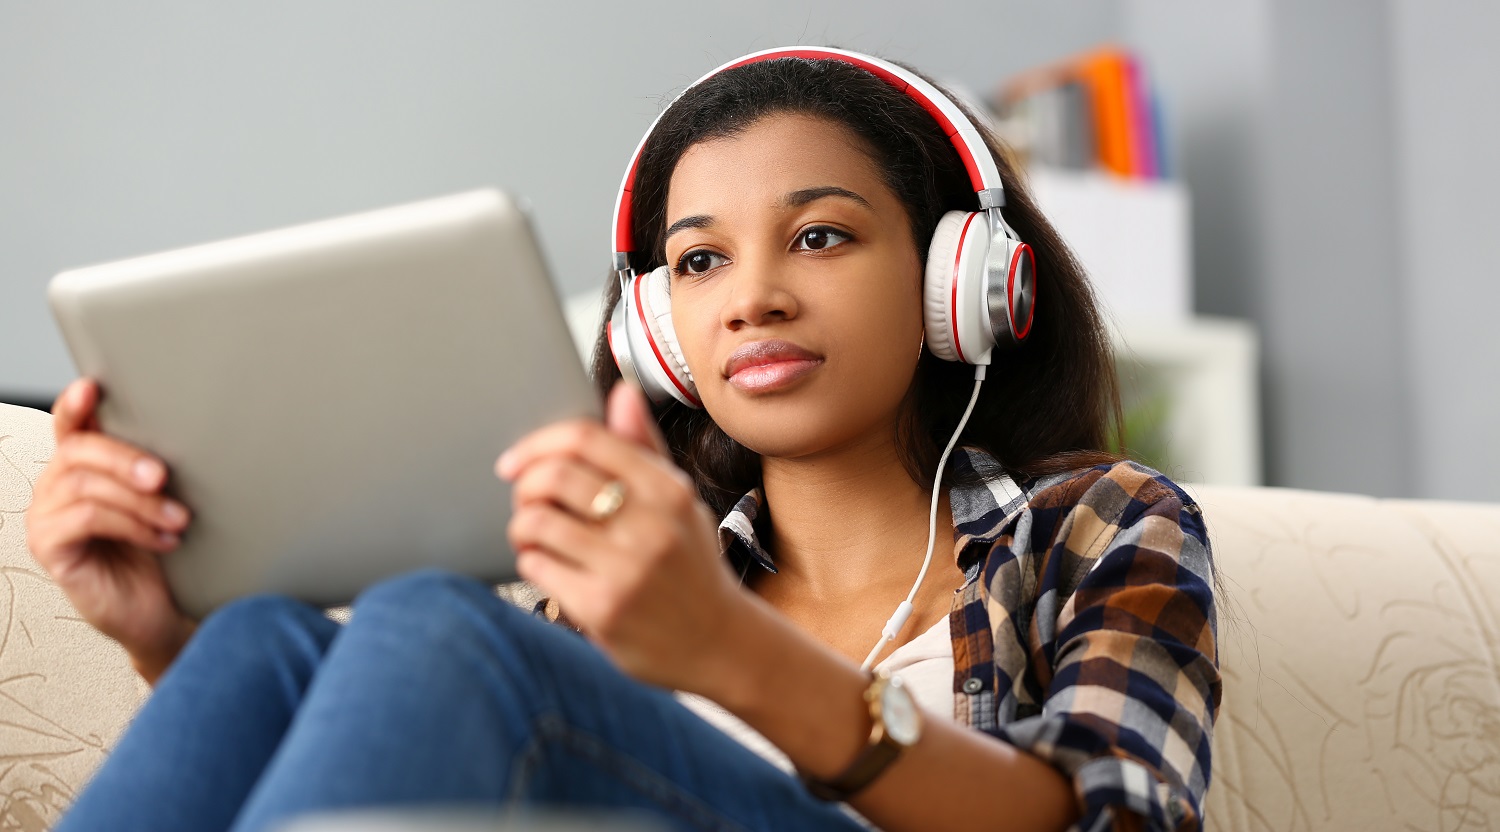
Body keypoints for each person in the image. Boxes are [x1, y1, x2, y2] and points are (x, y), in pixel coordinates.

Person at [25, 47, 1219, 832]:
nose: (750, 296)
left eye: (820, 237)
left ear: (961, 276)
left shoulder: (1101, 520)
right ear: (655, 329)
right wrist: (164, 642)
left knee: (434, 618)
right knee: (261, 643)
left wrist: (729, 648)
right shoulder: (627, 578)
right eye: (698, 261)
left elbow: (1119, 820)